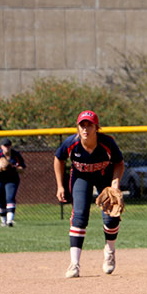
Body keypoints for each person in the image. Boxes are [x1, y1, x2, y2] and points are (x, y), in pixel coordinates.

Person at [53, 110, 124, 278]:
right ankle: (74, 264)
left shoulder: (107, 143)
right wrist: (60, 186)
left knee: (111, 217)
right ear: (77, 128)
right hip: (81, 177)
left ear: (96, 127)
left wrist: (115, 183)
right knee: (79, 217)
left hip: (104, 177)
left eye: (89, 125)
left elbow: (119, 163)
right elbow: (58, 159)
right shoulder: (71, 143)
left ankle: (110, 251)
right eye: (82, 125)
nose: (85, 129)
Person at [0, 138, 26, 227]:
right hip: (0, 179)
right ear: (1, 147)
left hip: (12, 179)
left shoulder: (16, 155)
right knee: (1, 201)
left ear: (11, 146)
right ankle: (3, 221)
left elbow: (23, 169)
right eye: (5, 145)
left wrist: (13, 167)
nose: (7, 147)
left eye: (8, 145)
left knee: (10, 197)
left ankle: (10, 220)